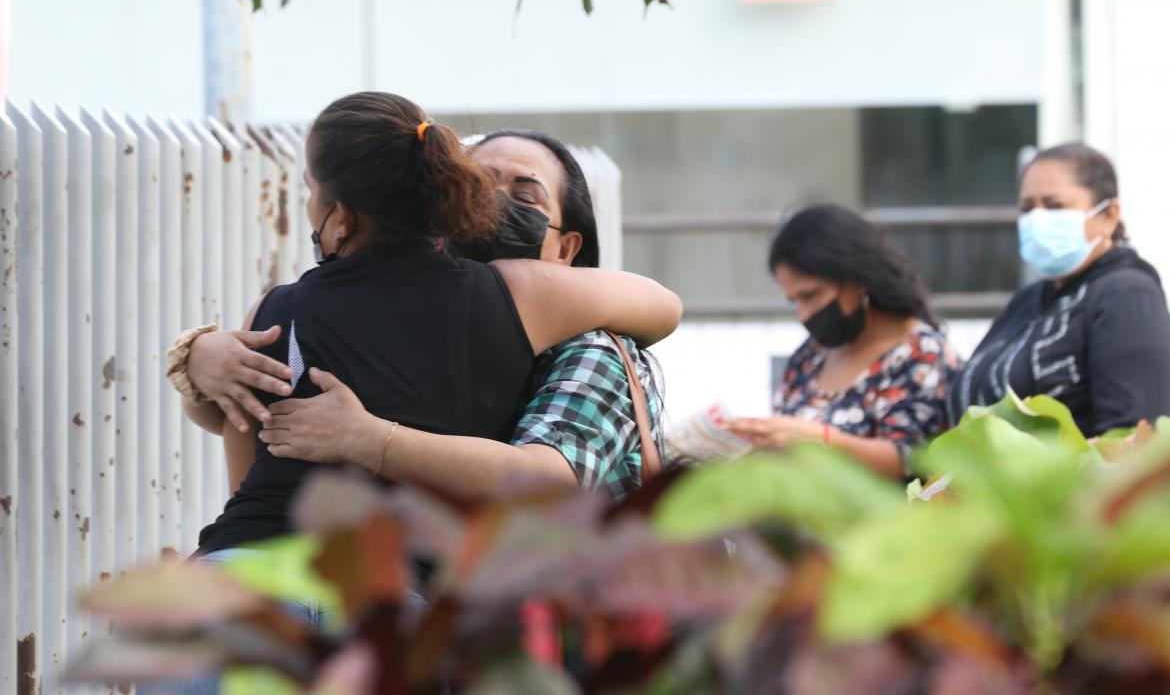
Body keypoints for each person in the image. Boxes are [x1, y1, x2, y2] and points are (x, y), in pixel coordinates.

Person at [168, 93, 683, 561]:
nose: (493, 206)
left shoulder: (587, 347)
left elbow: (542, 482)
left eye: (524, 196)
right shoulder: (491, 299)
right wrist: (198, 361)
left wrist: (368, 438)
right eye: (478, 184)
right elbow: (256, 418)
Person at [948, 143, 1170, 436]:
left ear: (1108, 215)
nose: (1036, 220)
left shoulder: (1126, 294)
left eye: (1055, 206)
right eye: (1027, 208)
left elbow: (1134, 436)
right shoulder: (1029, 301)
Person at [728, 204, 961, 479]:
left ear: (857, 277)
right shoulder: (810, 356)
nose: (803, 315)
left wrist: (821, 439)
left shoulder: (922, 354)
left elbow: (908, 461)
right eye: (794, 301)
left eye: (811, 295)